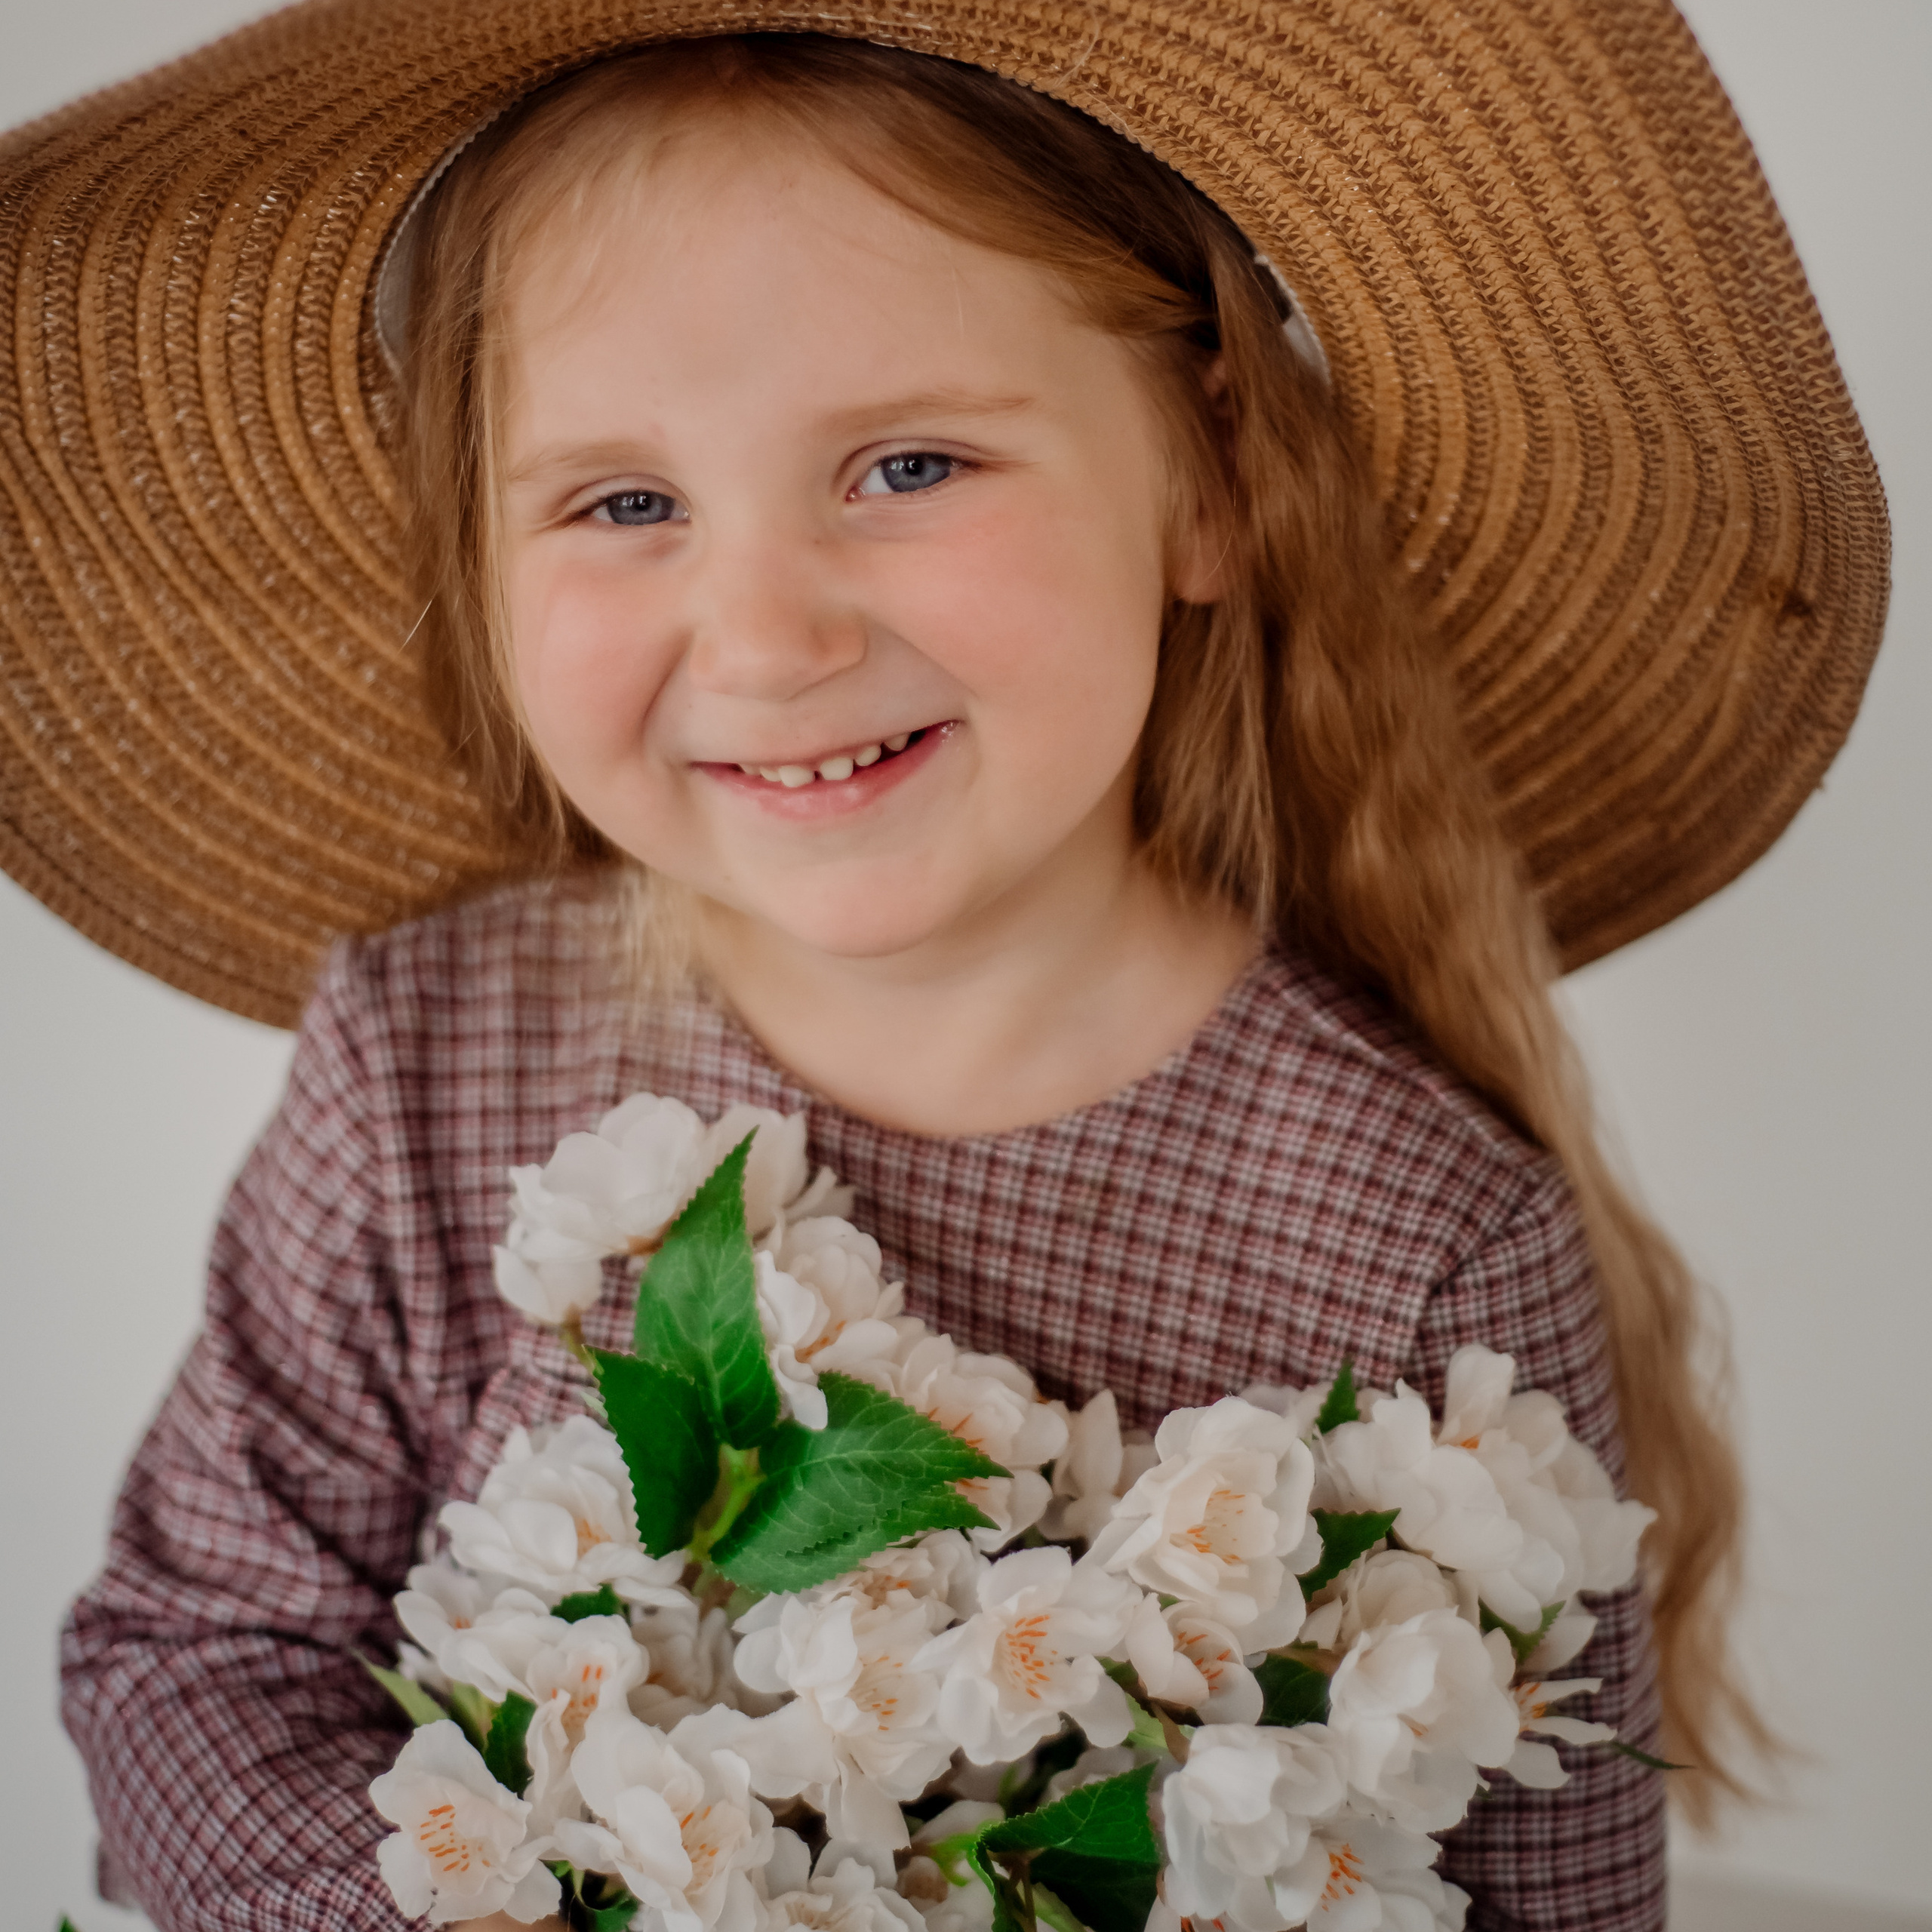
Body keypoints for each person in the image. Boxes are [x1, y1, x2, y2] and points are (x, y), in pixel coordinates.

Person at [0, 8, 1884, 1932]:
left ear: (1210, 480)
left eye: (906, 463)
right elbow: (195, 1653)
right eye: (624, 502)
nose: (763, 629)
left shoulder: (1420, 1233)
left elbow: (1549, 1896)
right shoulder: (424, 1062)